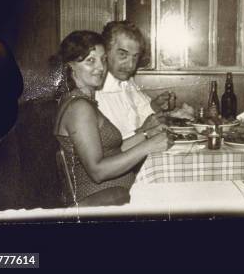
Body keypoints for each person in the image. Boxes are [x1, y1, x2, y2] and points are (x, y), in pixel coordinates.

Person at [53, 30, 172, 206]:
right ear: (71, 66)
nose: (100, 68)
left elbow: (112, 150)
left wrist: (146, 134)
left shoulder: (83, 101)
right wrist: (148, 146)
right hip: (103, 200)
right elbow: (97, 171)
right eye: (90, 61)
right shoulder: (79, 108)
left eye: (103, 60)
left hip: (116, 193)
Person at [95, 21, 193, 140]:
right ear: (105, 52)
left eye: (135, 56)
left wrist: (155, 105)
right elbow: (110, 149)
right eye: (123, 54)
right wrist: (144, 131)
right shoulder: (96, 92)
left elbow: (144, 113)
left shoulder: (127, 82)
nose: (131, 65)